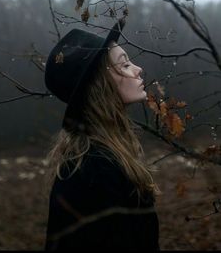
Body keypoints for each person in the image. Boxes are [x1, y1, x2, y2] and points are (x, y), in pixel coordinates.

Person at [44, 18, 160, 251]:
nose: (138, 69)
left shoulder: (109, 154)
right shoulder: (95, 169)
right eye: (124, 65)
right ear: (100, 84)